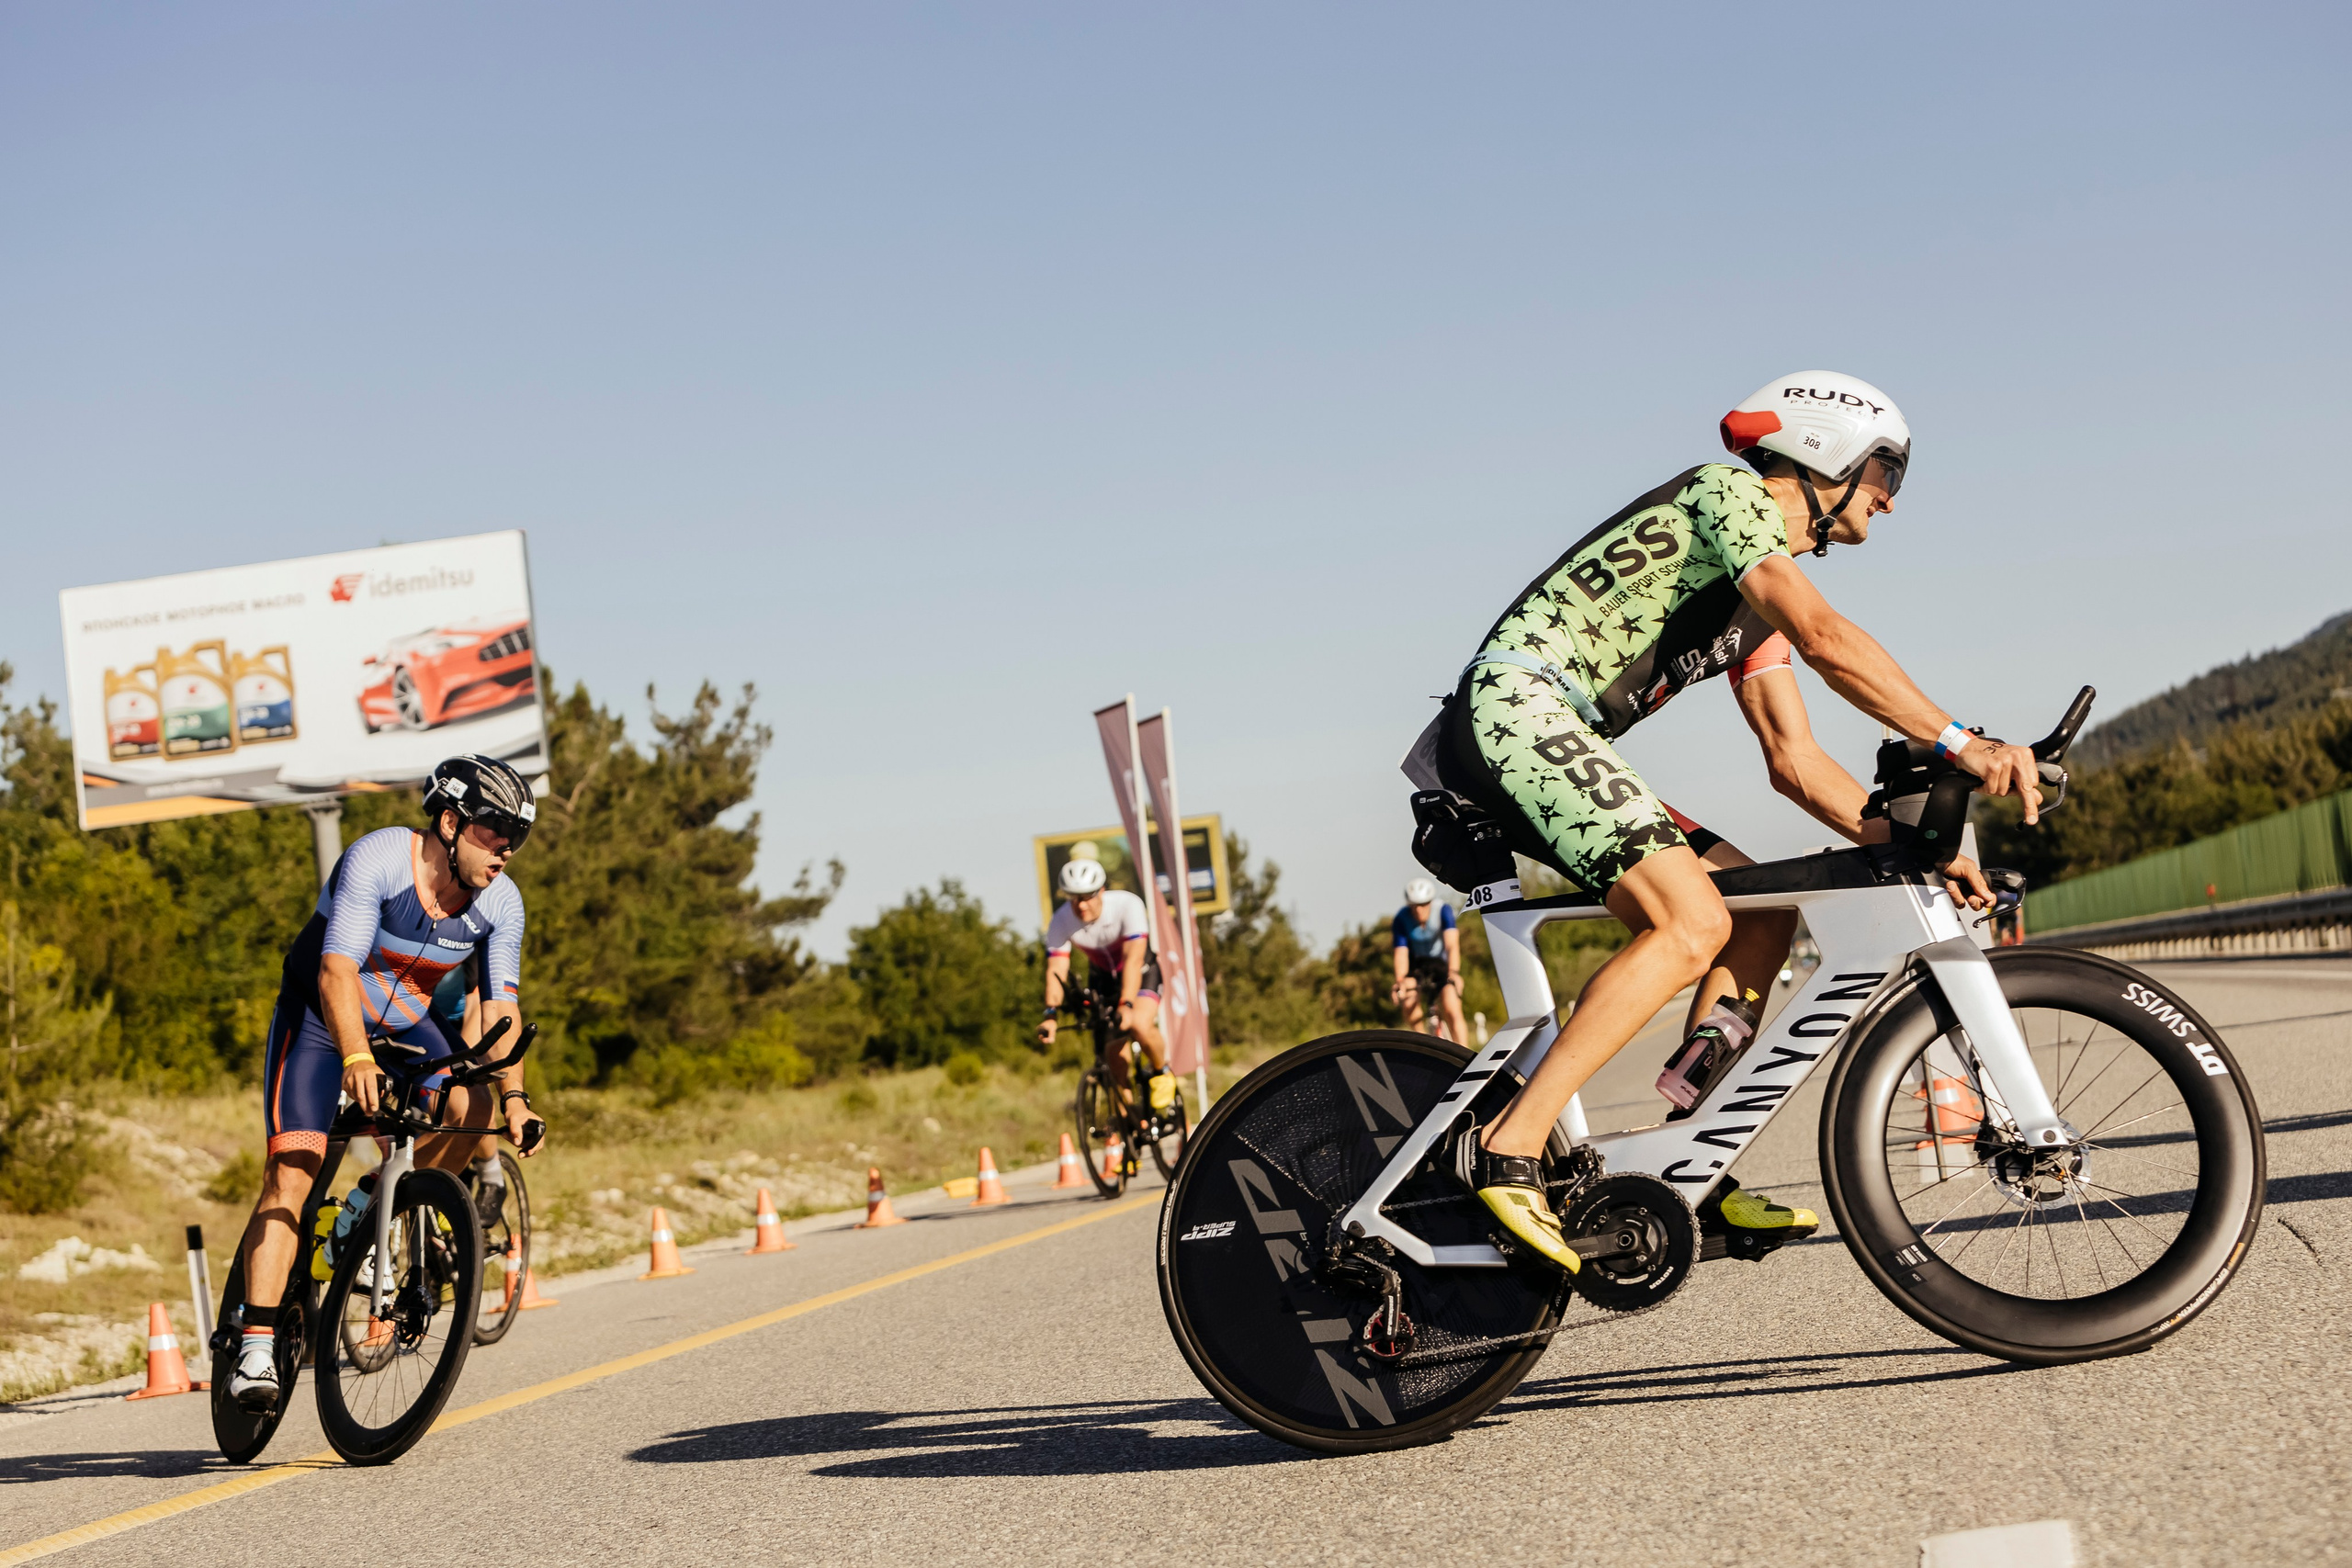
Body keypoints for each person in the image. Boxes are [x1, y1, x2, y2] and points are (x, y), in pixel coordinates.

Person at [1447, 372, 2042, 1273]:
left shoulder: (1753, 589)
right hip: (1516, 709)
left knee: (1760, 918)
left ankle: (1682, 1159)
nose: (1888, 498)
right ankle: (1511, 1147)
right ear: (1823, 452)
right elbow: (1824, 637)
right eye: (1886, 470)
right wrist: (1959, 741)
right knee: (1692, 922)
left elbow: (1794, 761)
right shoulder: (1726, 498)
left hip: (1547, 729)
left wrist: (1918, 850)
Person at [229, 754, 545, 1411]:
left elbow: (501, 1009)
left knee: (471, 1101)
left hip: (404, 1025)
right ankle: (255, 1344)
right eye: (495, 832)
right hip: (320, 1021)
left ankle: (374, 1204)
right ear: (452, 823)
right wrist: (353, 1058)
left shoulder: (500, 903)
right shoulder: (376, 859)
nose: (507, 849)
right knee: (294, 1168)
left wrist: (515, 1097)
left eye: (518, 836)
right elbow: (336, 972)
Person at [1036, 857, 1176, 1114]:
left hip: (1142, 972)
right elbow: (1056, 970)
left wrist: (1126, 1003)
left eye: (1088, 896)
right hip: (1103, 980)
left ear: (1101, 891)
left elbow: (1133, 959)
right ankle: (1131, 1133)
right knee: (1113, 1057)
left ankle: (1161, 1072)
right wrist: (1051, 1014)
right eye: (1074, 897)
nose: (1081, 904)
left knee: (1137, 1024)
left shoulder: (1127, 904)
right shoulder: (1061, 920)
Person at [1391, 878, 1468, 1043]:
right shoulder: (1401, 918)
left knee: (1451, 1006)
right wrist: (1399, 981)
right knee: (1408, 999)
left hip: (1441, 965)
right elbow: (1400, 954)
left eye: (1424, 904)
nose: (1419, 910)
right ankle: (1424, 1044)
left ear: (1430, 902)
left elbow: (1452, 945)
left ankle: (1465, 1053)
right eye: (1414, 905)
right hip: (1418, 966)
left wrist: (1454, 972)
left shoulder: (1443, 911)